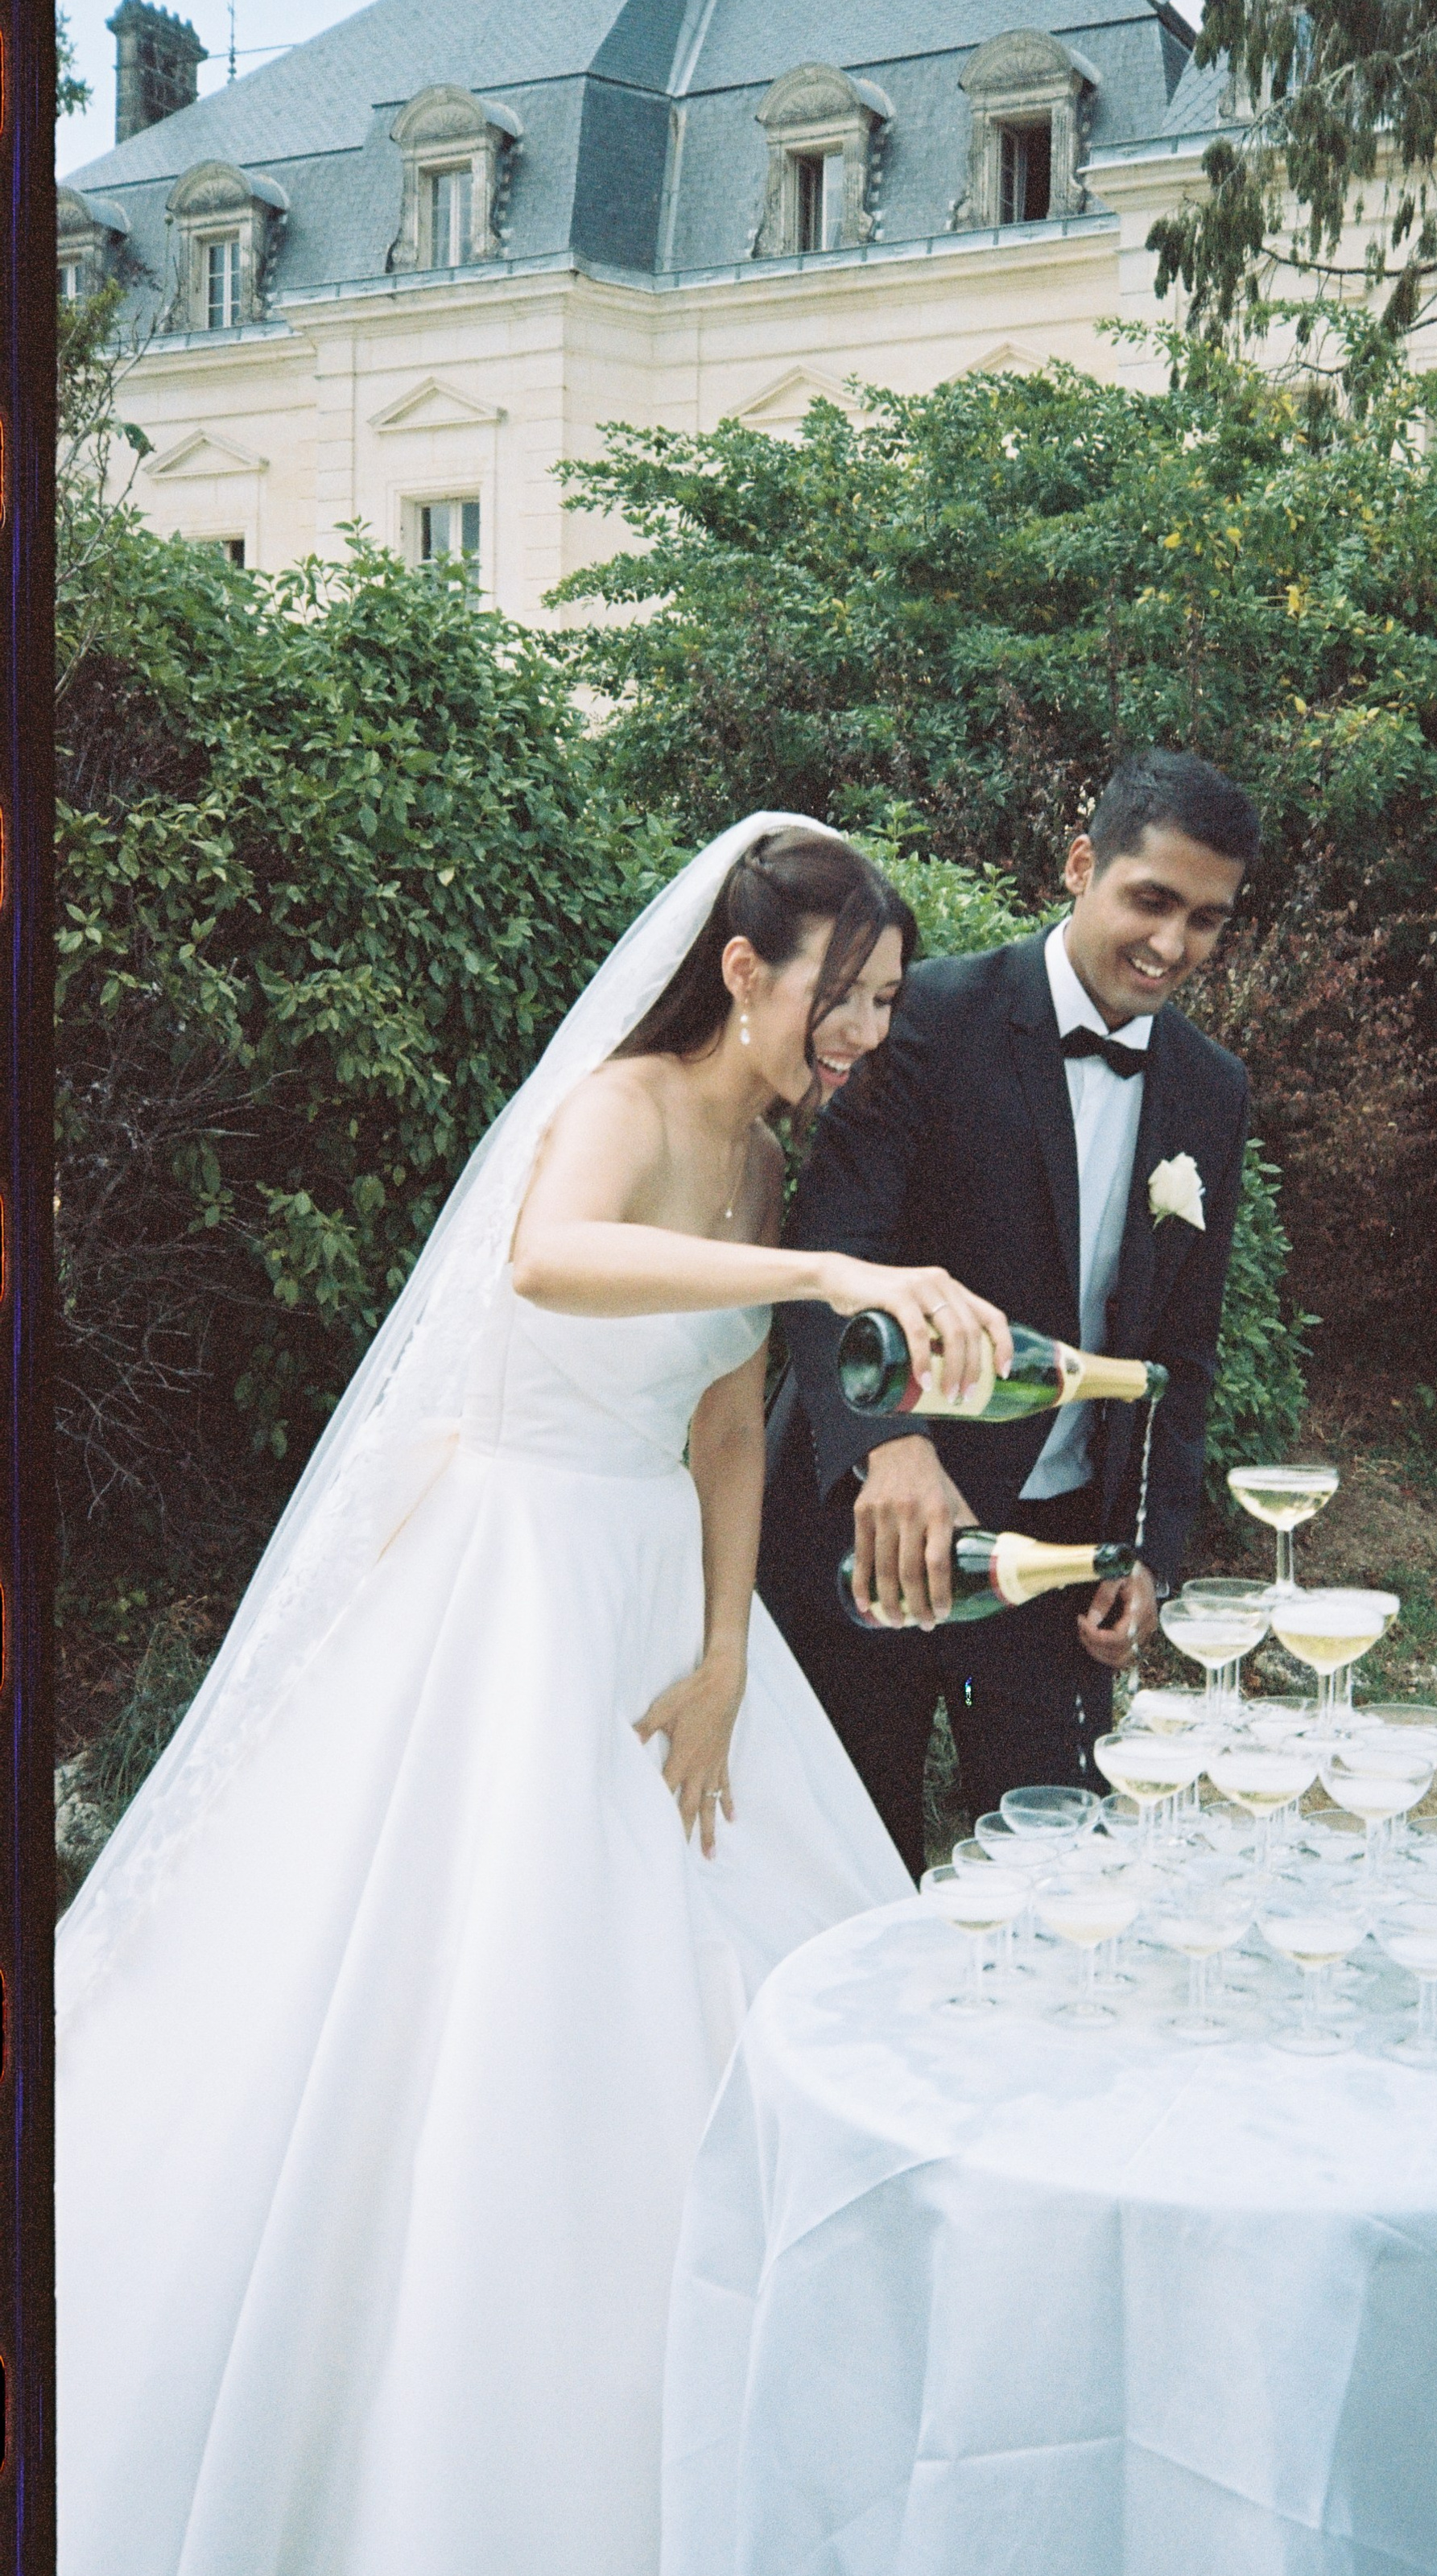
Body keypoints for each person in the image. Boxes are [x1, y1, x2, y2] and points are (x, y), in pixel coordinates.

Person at [54, 817, 1010, 2576]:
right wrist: (824, 1273)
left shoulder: (762, 1163)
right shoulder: (622, 1111)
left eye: (881, 1004)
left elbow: (727, 1420)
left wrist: (726, 1651)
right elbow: (551, 1261)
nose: (862, 1037)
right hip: (507, 1573)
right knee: (479, 1975)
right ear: (743, 974)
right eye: (844, 999)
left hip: (656, 1574)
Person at [759, 749, 1259, 1878]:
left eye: (1208, 921)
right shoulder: (927, 1016)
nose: (1173, 945)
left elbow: (1180, 1350)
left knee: (1059, 1879)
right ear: (1081, 866)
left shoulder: (1212, 1091)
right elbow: (834, 1250)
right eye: (1151, 899)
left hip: (1059, 1564)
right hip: (868, 1538)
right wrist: (889, 1447)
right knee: (841, 1876)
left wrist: (1149, 1553)